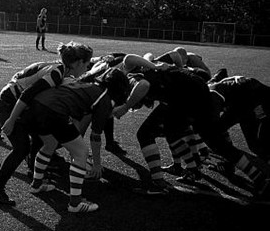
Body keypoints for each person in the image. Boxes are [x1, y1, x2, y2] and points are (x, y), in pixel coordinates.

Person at [113, 55, 268, 198]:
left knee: (147, 133)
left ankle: (161, 182)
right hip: (191, 91)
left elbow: (143, 84)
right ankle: (256, 177)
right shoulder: (145, 67)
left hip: (190, 97)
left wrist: (125, 106)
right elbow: (141, 57)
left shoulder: (130, 78)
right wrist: (154, 65)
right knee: (183, 133)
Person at [0, 42, 93, 206]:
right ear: (78, 63)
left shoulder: (62, 69)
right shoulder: (57, 73)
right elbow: (28, 93)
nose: (87, 68)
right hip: (9, 103)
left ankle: (36, 178)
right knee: (21, 147)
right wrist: (11, 119)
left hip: (21, 105)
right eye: (86, 64)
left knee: (41, 136)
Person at [24, 67, 131, 213]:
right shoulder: (104, 97)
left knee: (50, 144)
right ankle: (75, 203)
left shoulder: (90, 87)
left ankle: (36, 184)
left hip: (35, 107)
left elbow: (75, 117)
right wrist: (97, 165)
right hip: (53, 111)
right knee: (81, 153)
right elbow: (95, 136)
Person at [209, 75, 270, 166]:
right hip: (248, 100)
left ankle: (228, 161)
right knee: (255, 145)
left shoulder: (213, 97)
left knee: (260, 141)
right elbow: (222, 72)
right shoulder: (210, 87)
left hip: (255, 100)